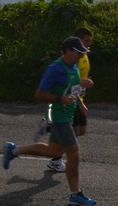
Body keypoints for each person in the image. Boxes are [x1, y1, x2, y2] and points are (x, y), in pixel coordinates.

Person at [3, 37, 97, 206]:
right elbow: (39, 94)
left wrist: (80, 100)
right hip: (58, 116)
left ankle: (14, 150)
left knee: (54, 151)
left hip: (67, 115)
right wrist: (60, 99)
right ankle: (75, 195)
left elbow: (71, 86)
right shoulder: (55, 69)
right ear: (67, 51)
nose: (82, 55)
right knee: (74, 154)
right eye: (78, 51)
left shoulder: (73, 65)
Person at [39, 27, 95, 172]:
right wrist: (80, 101)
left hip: (77, 98)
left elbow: (78, 80)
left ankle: (49, 127)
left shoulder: (83, 56)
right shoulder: (72, 59)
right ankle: (56, 160)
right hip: (70, 100)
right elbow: (69, 83)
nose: (89, 44)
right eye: (86, 41)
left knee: (81, 131)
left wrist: (85, 85)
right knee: (72, 135)